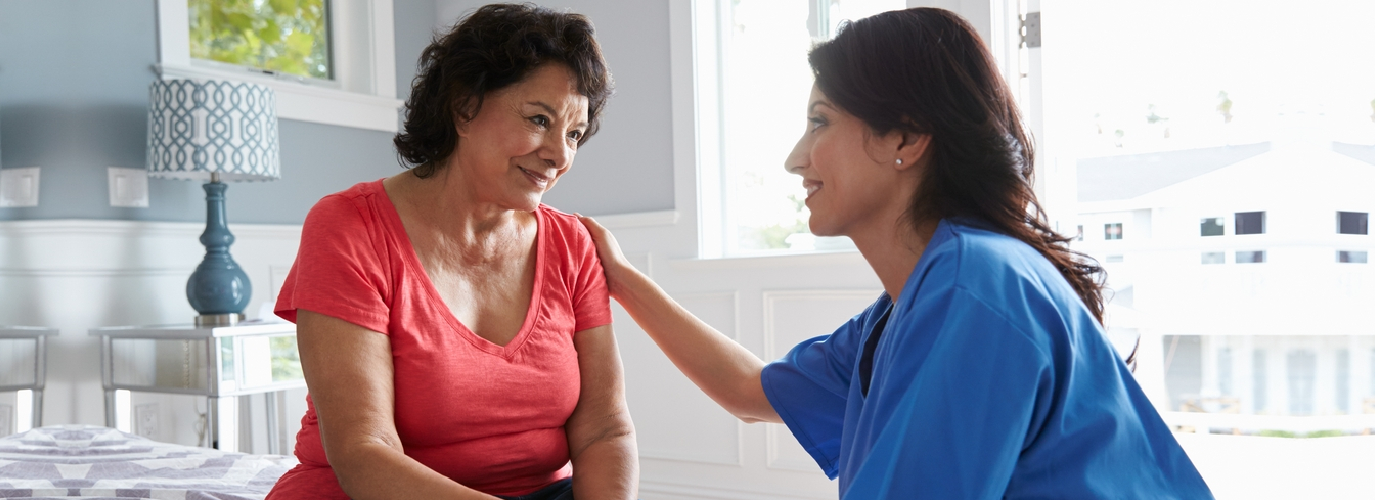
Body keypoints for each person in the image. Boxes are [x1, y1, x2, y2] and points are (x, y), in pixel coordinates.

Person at [579, 7, 1211, 499]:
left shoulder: (976, 287)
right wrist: (623, 277)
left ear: (905, 136)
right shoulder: (904, 312)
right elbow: (747, 390)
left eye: (820, 121)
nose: (796, 158)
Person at [268, 4, 636, 500]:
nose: (561, 154)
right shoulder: (349, 226)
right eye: (539, 120)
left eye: (573, 133)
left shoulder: (572, 244)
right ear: (465, 108)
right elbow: (363, 451)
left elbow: (604, 431)